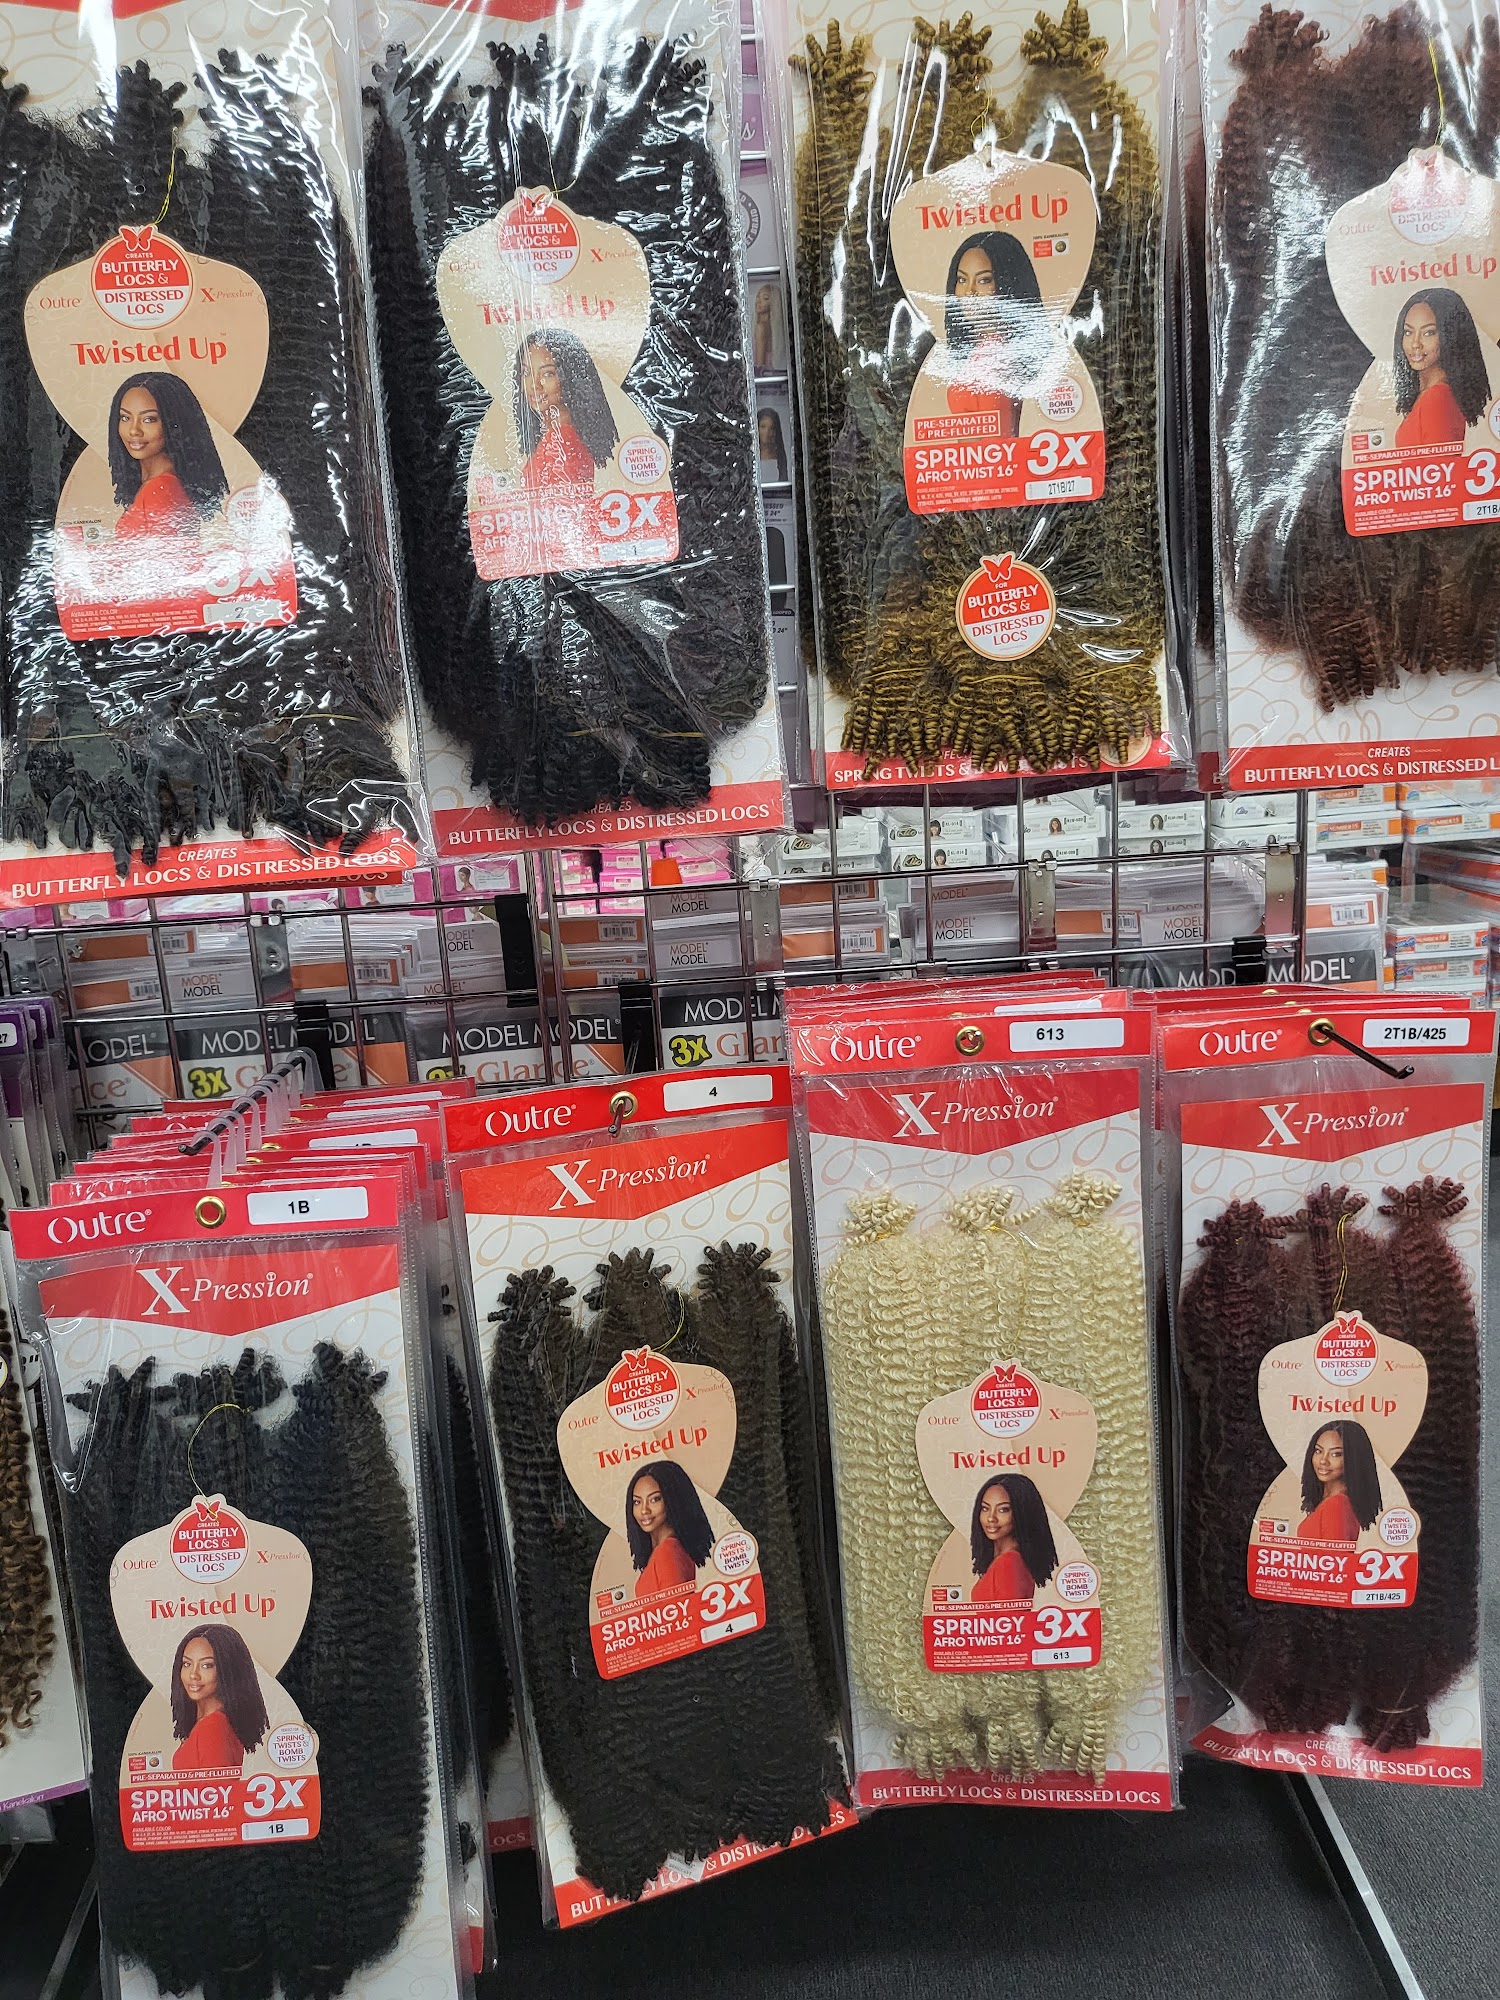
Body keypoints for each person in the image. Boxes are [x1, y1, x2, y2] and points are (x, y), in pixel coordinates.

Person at [943, 232, 1050, 435]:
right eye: (962, 279)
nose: (969, 291)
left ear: (1008, 285)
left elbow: (999, 442)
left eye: (983, 280)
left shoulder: (997, 357)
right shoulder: (979, 351)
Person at [107, 372, 229, 540]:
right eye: (125, 417)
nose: (134, 430)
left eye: (149, 419)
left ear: (174, 424)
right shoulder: (163, 483)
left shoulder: (160, 490)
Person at [512, 329, 619, 490]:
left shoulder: (563, 439)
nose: (534, 384)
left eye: (547, 374)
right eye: (526, 372)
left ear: (570, 377)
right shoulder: (557, 434)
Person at [1392, 288, 1492, 447]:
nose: (1415, 343)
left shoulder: (1436, 398)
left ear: (1450, 336)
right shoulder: (1431, 394)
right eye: (1408, 332)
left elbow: (1439, 462)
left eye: (1428, 333)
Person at [169, 1624, 269, 1771]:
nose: (193, 1675)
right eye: (187, 1664)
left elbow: (219, 1786)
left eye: (206, 1665)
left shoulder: (213, 1727)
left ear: (227, 1670)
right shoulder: (209, 1722)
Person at [625, 1460, 714, 1596]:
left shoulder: (668, 1552)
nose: (644, 1510)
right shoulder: (665, 1549)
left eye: (654, 1499)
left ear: (673, 1499)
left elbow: (677, 1608)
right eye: (637, 1502)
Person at [969, 1474, 1058, 1602]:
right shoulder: (1002, 1559)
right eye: (985, 1508)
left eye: (1003, 1510)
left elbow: (1010, 1615)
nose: (991, 1518)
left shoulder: (1009, 1563)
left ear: (1022, 1513)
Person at [1297, 1421, 1381, 1543]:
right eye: (1318, 1451)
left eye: (1336, 1454)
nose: (1323, 1461)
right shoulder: (1331, 1500)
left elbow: (1334, 1555)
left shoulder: (1336, 1505)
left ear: (1353, 1459)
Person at [758, 407, 788, 482]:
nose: (767, 432)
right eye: (763, 427)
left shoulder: (779, 454)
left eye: (772, 428)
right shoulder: (748, 455)